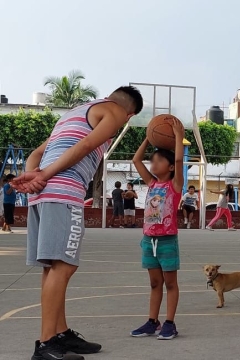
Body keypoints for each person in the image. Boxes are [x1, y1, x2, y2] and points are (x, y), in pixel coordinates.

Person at [12, 86, 143, 360]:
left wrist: (32, 176)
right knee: (64, 265)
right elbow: (85, 146)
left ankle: (60, 333)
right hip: (63, 191)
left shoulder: (73, 113)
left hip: (42, 195)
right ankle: (47, 343)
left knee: (52, 266)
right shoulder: (116, 112)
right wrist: (44, 175)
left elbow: (36, 153)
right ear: (130, 114)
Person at [130, 118, 184, 340]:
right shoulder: (151, 183)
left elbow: (179, 159)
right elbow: (136, 159)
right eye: (152, 161)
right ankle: (153, 321)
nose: (153, 164)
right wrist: (149, 136)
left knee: (170, 283)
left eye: (159, 161)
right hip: (148, 240)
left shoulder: (175, 185)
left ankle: (170, 323)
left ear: (170, 167)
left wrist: (178, 136)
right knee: (155, 283)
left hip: (167, 240)